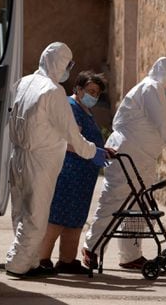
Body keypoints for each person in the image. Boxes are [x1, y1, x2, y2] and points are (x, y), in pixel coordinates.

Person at [82, 56, 166, 270]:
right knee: (115, 201)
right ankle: (92, 248)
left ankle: (130, 255)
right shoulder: (151, 88)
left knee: (139, 206)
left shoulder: (156, 92)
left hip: (143, 156)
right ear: (165, 78)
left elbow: (163, 126)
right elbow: (165, 126)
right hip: (128, 154)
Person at [5, 42, 109, 278]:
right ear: (60, 63)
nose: (68, 69)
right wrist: (93, 152)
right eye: (68, 64)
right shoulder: (52, 91)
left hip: (18, 155)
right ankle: (18, 264)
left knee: (21, 213)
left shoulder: (24, 82)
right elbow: (71, 132)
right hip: (40, 159)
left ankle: (29, 261)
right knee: (36, 217)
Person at [39, 71, 108, 274]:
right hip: (69, 172)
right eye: (90, 91)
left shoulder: (85, 110)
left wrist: (100, 152)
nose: (93, 96)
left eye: (97, 93)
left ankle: (67, 260)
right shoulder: (70, 108)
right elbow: (68, 140)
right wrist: (93, 152)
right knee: (57, 216)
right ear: (77, 89)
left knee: (75, 218)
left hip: (83, 176)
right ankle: (42, 259)